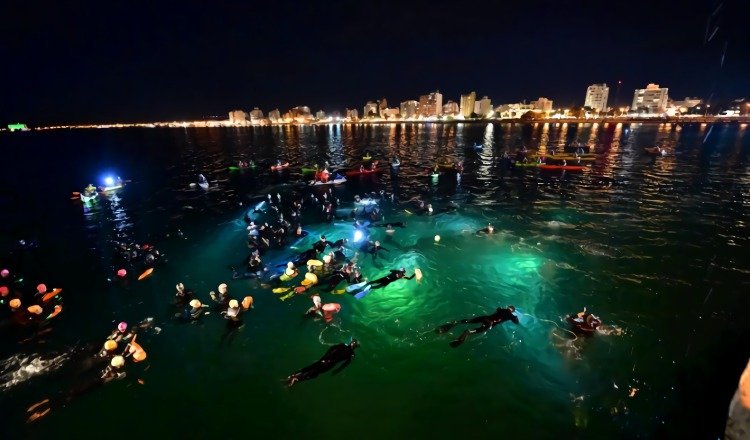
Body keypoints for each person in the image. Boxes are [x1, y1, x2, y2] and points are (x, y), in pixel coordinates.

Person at [285, 340, 359, 387]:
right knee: (314, 374)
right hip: (330, 365)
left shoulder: (342, 345)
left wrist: (323, 358)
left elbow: (331, 348)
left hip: (325, 360)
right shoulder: (352, 355)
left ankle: (293, 375)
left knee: (310, 367)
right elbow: (344, 365)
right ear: (355, 347)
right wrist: (336, 371)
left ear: (351, 343)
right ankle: (296, 379)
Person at [436, 306, 519, 347]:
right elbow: (516, 322)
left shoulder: (502, 309)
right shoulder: (511, 315)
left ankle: (451, 325)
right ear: (512, 311)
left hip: (485, 318)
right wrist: (515, 317)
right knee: (471, 331)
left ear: (508, 307)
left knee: (468, 321)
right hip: (489, 324)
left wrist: (499, 310)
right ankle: (462, 338)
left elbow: (497, 310)